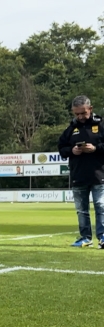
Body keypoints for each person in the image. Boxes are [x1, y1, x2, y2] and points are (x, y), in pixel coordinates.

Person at [58, 95, 104, 248]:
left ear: (90, 109)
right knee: (81, 210)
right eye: (77, 114)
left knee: (101, 207)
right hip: (78, 175)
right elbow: (61, 149)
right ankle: (85, 238)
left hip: (99, 174)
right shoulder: (71, 128)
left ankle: (103, 237)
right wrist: (72, 150)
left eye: (83, 113)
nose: (80, 117)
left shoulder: (101, 124)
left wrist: (96, 148)